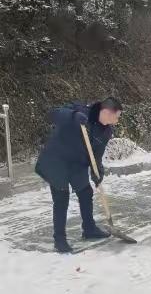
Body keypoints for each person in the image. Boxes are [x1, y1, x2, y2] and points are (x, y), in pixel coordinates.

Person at [35, 97, 123, 253]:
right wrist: (73, 116)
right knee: (62, 197)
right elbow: (52, 114)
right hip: (57, 160)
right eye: (116, 117)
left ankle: (89, 229)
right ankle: (59, 240)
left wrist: (98, 171)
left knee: (85, 192)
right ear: (108, 112)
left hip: (76, 164)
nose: (116, 121)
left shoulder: (106, 131)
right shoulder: (81, 111)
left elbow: (96, 154)